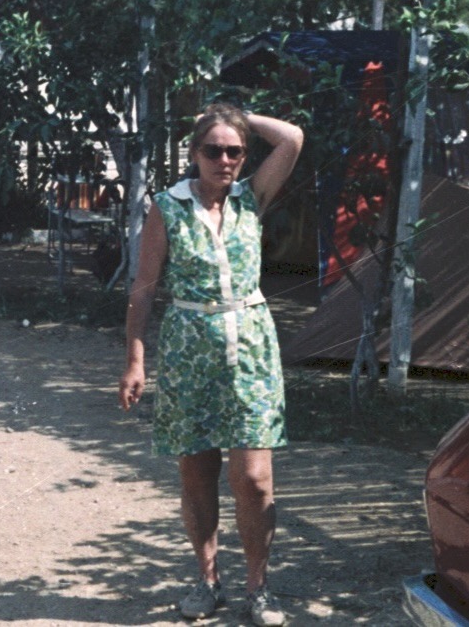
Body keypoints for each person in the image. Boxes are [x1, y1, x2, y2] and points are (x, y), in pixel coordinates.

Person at [118, 103, 303, 626]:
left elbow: (291, 137)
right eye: (213, 150)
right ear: (193, 153)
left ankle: (258, 588)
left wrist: (237, 113)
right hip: (187, 352)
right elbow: (145, 286)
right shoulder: (168, 207)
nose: (225, 160)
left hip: (250, 353)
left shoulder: (252, 199)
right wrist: (135, 356)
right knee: (197, 473)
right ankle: (206, 580)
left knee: (254, 478)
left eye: (235, 150)